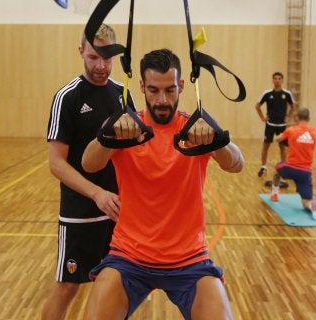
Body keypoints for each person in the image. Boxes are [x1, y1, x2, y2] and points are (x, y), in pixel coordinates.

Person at [81, 48, 243, 319]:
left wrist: (218, 141)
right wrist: (107, 138)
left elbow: (236, 164)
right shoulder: (125, 127)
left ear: (181, 85)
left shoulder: (194, 129)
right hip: (129, 257)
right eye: (154, 90)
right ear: (142, 87)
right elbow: (88, 164)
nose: (162, 100)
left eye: (170, 90)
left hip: (189, 259)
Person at [42, 24, 135, 320]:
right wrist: (96, 194)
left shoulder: (123, 94)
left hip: (118, 213)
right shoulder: (67, 97)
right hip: (79, 212)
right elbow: (56, 163)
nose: (101, 65)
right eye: (94, 57)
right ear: (81, 51)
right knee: (67, 288)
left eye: (107, 58)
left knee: (116, 288)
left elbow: (133, 153)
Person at [270, 107, 316, 220]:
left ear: (296, 118)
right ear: (309, 118)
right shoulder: (315, 132)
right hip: (306, 172)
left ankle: (274, 193)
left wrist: (285, 137)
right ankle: (313, 206)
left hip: (290, 168)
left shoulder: (291, 130)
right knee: (305, 201)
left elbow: (277, 139)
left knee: (277, 168)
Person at [255, 72, 295, 178]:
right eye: (275, 78)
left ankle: (283, 167)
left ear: (282, 80)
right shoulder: (267, 94)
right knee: (266, 146)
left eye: (279, 78)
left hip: (282, 125)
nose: (277, 80)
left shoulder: (287, 94)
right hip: (270, 125)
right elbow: (257, 106)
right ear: (272, 80)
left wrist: (288, 117)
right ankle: (263, 167)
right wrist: (263, 118)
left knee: (283, 147)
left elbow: (293, 106)